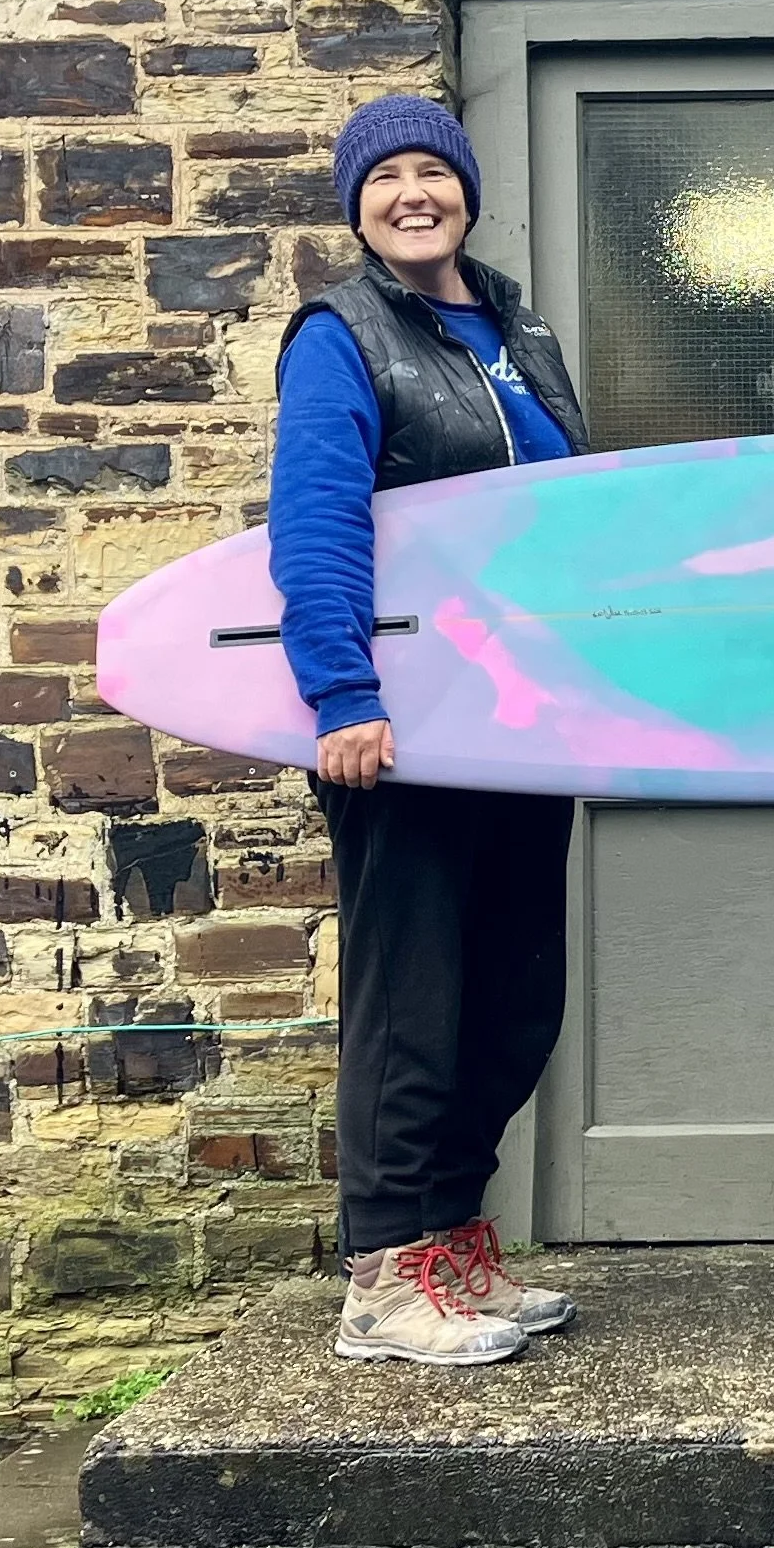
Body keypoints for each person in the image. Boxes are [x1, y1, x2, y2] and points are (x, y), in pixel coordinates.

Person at [270, 92, 589, 1366]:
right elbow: (318, 517)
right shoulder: (342, 334)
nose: (413, 192)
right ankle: (385, 1275)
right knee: (412, 1001)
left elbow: (576, 521)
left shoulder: (520, 327)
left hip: (523, 718)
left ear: (464, 188)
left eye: (431, 171)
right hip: (403, 724)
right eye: (384, 176)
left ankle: (452, 1240)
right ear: (357, 205)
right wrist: (343, 695)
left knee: (514, 999)